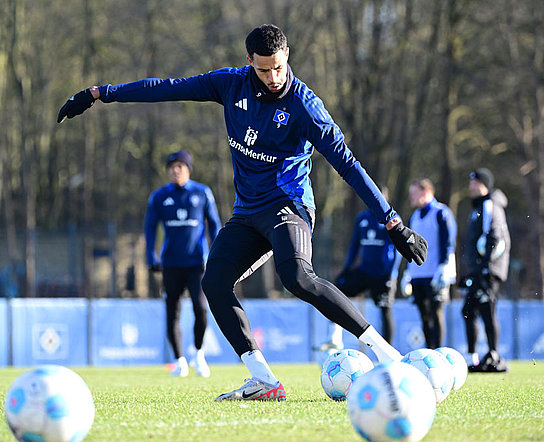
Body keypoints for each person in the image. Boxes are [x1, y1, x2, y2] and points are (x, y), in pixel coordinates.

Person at [57, 24, 427, 401]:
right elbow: (167, 88)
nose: (273, 77)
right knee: (214, 281)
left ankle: (387, 355)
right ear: (249, 61)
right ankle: (264, 380)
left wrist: (393, 222)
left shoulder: (304, 105)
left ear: (288, 58)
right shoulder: (229, 85)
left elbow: (347, 164)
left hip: (290, 205)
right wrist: (100, 93)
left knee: (297, 276)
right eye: (264, 69)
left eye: (279, 68)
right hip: (248, 213)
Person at [145, 150, 221, 377]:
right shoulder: (159, 197)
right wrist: (151, 256)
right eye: (172, 167)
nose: (175, 170)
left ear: (188, 169)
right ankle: (179, 361)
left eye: (180, 166)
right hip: (170, 264)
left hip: (197, 263)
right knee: (172, 312)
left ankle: (198, 354)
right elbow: (149, 229)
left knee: (201, 308)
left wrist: (217, 255)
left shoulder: (202, 193)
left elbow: (214, 225)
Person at [330, 185, 401, 347]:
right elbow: (354, 245)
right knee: (336, 293)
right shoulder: (361, 219)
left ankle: (388, 352)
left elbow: (397, 249)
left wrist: (391, 274)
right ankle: (334, 338)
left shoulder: (391, 219)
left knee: (385, 310)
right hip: (364, 271)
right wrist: (347, 268)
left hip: (383, 275)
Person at [459, 168, 510, 372]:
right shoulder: (477, 207)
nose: (471, 187)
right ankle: (474, 358)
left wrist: (484, 267)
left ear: (485, 185)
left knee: (487, 310)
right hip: (478, 270)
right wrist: (471, 271)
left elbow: (495, 237)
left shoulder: (490, 205)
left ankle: (494, 356)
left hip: (488, 271)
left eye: (475, 183)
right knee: (469, 310)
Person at [401, 178, 457, 349]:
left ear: (426, 192)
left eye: (414, 193)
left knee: (436, 313)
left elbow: (448, 242)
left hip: (436, 273)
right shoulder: (414, 216)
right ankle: (429, 350)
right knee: (424, 316)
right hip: (418, 274)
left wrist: (444, 266)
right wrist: (407, 272)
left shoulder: (441, 213)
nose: (411, 197)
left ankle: (438, 350)